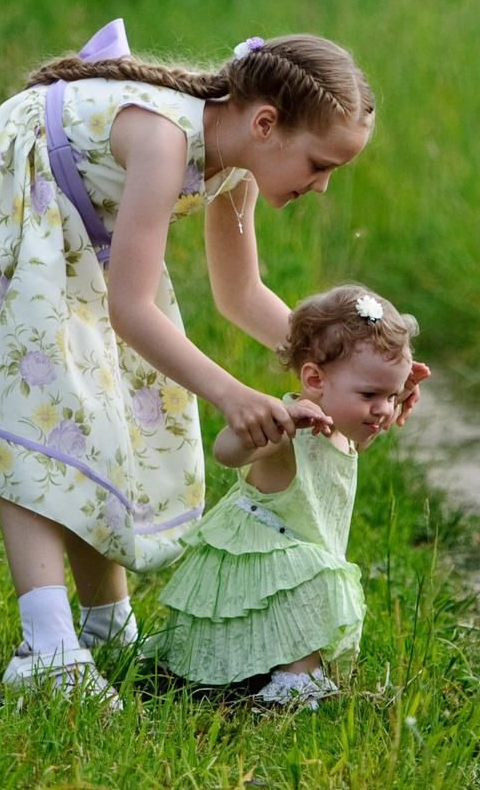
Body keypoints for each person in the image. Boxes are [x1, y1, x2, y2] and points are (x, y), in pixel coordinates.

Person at [0, 20, 408, 709]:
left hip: (73, 233)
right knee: (42, 416)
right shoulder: (165, 142)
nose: (322, 188)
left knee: (111, 414)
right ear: (266, 123)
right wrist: (230, 393)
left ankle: (107, 628)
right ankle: (44, 650)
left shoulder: (235, 169)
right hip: (11, 207)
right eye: (321, 165)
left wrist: (360, 365)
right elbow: (131, 310)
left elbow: (241, 295)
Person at [146, 284, 418, 709]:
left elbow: (361, 423)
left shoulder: (346, 432)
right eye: (369, 395)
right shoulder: (292, 426)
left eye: (391, 395)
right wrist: (277, 422)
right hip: (255, 556)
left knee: (317, 576)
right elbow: (226, 453)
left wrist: (389, 392)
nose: (383, 409)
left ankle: (281, 670)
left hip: (289, 564)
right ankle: (296, 680)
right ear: (314, 380)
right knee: (318, 575)